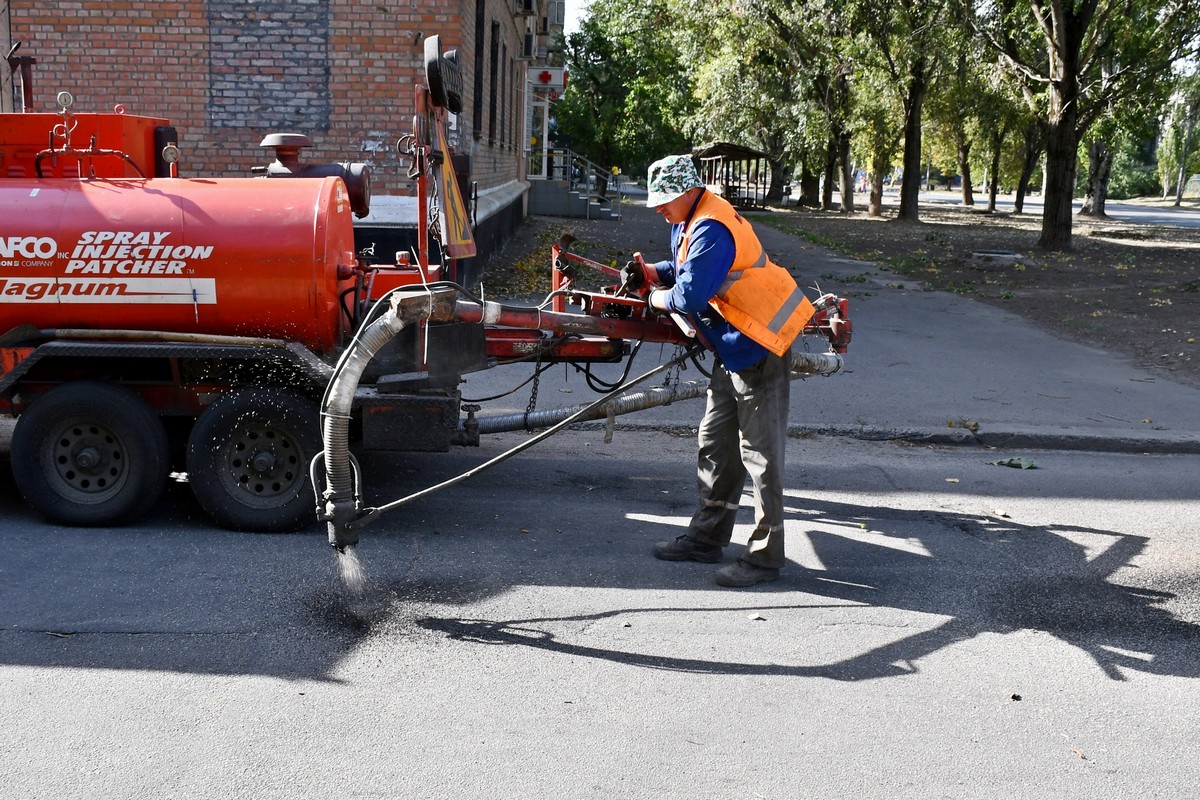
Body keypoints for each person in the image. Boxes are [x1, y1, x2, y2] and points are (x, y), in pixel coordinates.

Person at [621, 154, 813, 587]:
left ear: (690, 191)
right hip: (733, 349)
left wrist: (654, 299)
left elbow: (688, 295)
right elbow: (686, 269)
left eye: (664, 200)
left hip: (759, 345)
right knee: (716, 441)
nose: (658, 209)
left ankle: (765, 558)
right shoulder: (689, 218)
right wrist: (654, 271)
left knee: (761, 458)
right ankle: (707, 538)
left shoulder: (711, 226)